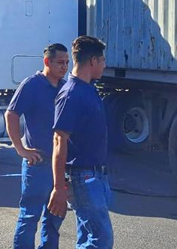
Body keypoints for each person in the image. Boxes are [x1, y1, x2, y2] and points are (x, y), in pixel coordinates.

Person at [47, 36, 112, 249]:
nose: (104, 64)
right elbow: (59, 141)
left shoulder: (88, 88)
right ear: (92, 61)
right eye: (102, 60)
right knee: (101, 239)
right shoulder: (70, 94)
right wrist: (58, 187)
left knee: (88, 238)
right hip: (82, 177)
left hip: (95, 175)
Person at [6, 43, 70, 249]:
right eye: (60, 62)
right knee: (30, 216)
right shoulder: (31, 85)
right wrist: (21, 149)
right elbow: (11, 114)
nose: (64, 67)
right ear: (46, 62)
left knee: (54, 217)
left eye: (67, 63)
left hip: (59, 165)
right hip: (39, 163)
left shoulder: (65, 87)